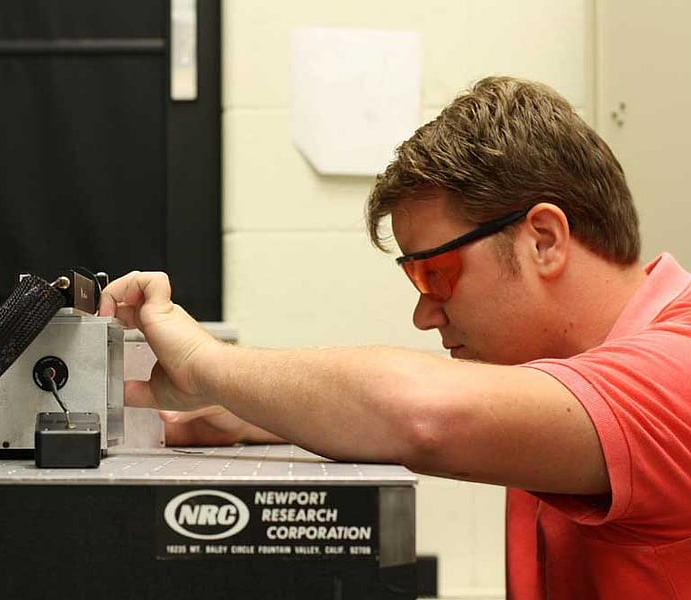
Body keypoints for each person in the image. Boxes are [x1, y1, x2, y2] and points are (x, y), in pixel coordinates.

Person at [98, 76, 691, 599]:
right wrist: (242, 411)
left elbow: (423, 414)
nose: (424, 314)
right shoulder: (558, 374)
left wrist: (207, 364)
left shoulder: (678, 366)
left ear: (543, 239)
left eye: (437, 273)